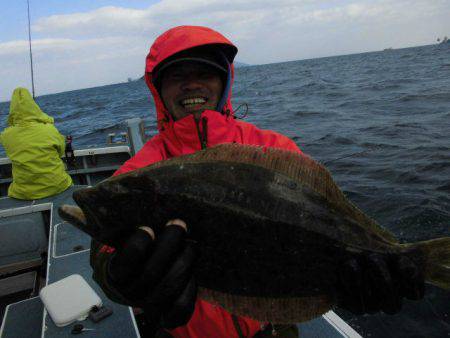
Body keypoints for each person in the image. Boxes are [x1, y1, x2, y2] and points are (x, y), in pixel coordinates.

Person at [90, 26, 424, 337]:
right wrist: (115, 275)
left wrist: (356, 274)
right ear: (159, 90)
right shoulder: (139, 173)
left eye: (204, 73)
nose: (192, 84)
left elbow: (323, 218)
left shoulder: (274, 149)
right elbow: (106, 244)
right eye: (177, 76)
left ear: (224, 82)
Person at [0, 87, 72, 200]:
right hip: (58, 186)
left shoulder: (5, 135)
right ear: (33, 107)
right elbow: (60, 152)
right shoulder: (50, 129)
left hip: (25, 194)